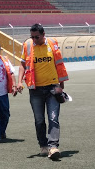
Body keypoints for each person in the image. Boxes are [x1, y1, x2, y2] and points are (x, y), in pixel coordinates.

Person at [17, 23, 69, 160]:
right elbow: (22, 65)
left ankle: (53, 147)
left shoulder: (52, 44)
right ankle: (43, 145)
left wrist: (61, 86)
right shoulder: (27, 45)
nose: (34, 39)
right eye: (32, 37)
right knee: (39, 120)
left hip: (52, 88)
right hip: (35, 90)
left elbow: (59, 64)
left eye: (37, 37)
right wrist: (19, 82)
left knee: (53, 118)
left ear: (43, 34)